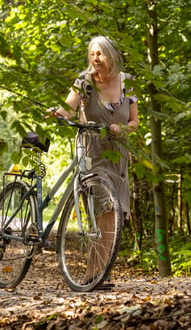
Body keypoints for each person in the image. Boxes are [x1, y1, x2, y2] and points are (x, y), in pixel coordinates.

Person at [50, 36, 139, 287]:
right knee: (104, 207)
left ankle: (99, 273)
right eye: (92, 54)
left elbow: (134, 122)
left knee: (114, 213)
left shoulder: (128, 83)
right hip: (91, 151)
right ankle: (94, 274)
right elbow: (68, 108)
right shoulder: (85, 81)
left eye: (100, 54)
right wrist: (57, 113)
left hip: (117, 155)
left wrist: (122, 129)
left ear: (111, 55)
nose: (95, 58)